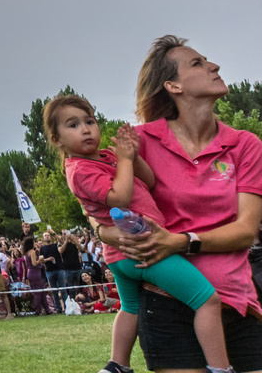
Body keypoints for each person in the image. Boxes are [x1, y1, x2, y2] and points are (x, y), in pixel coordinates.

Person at [103, 38, 262, 373]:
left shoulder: (245, 145)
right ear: (172, 85)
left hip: (238, 305)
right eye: (198, 63)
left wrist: (179, 242)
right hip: (166, 307)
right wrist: (108, 232)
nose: (214, 66)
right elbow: (102, 201)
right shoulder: (139, 141)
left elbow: (246, 231)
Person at [53, 90, 232, 373]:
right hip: (145, 248)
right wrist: (123, 161)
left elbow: (148, 181)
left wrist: (132, 157)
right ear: (57, 139)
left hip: (122, 254)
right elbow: (120, 197)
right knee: (207, 300)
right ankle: (221, 368)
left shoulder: (107, 157)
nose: (85, 130)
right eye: (72, 125)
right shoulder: (79, 169)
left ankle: (117, 364)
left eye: (89, 121)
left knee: (131, 307)